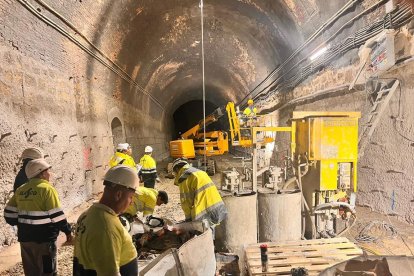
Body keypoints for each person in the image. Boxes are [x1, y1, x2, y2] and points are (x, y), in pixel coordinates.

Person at [4, 158, 73, 276]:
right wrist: (68, 232)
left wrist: (23, 223)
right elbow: (57, 216)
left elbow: (8, 214)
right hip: (44, 241)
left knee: (31, 272)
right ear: (41, 173)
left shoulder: (21, 189)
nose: (49, 174)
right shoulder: (47, 189)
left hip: (25, 240)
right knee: (48, 272)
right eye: (47, 171)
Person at [73, 165, 139, 275]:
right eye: (131, 197)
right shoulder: (106, 227)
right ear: (118, 195)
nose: (131, 202)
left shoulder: (87, 214)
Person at [172, 158, 227, 230]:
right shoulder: (201, 172)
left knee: (203, 234)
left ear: (176, 170)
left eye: (174, 173)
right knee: (210, 230)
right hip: (219, 209)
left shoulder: (184, 178)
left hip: (203, 215)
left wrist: (188, 221)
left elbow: (186, 202)